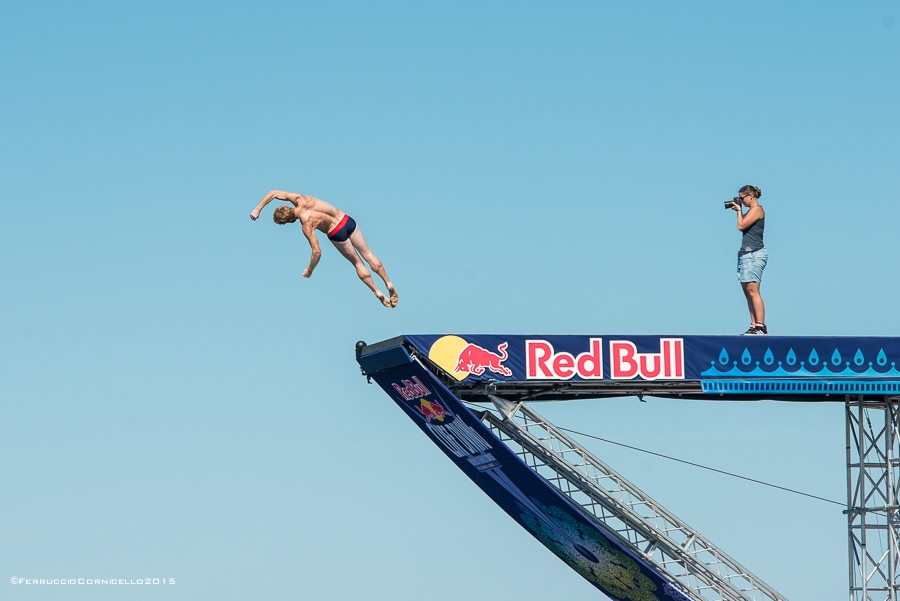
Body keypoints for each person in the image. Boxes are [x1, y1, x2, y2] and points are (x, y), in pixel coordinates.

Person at [250, 190, 399, 308]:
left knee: (358, 263)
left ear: (289, 220)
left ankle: (377, 291)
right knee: (369, 255)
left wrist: (309, 270)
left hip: (336, 232)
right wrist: (258, 209)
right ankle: (388, 282)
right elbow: (274, 193)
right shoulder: (300, 199)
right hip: (346, 220)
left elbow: (317, 251)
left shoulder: (306, 225)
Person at [731, 185, 767, 334]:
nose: (741, 201)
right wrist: (740, 211)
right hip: (746, 254)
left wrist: (739, 211)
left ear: (750, 195)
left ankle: (761, 325)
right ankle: (753, 324)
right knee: (747, 291)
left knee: (754, 290)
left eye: (742, 198)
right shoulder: (749, 212)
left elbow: (740, 226)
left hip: (755, 254)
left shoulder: (757, 209)